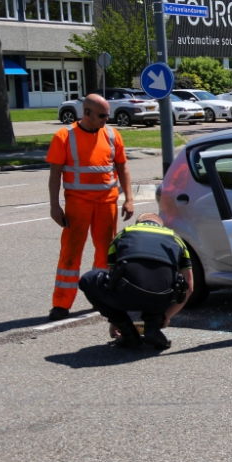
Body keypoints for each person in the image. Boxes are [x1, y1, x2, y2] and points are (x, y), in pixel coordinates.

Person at [46, 94, 133, 321]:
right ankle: (61, 304)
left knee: (106, 253)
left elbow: (122, 168)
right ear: (86, 114)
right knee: (70, 253)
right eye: (102, 115)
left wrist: (129, 198)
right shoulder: (64, 136)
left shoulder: (112, 134)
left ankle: (102, 296)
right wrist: (55, 206)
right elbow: (55, 174)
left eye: (107, 114)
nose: (107, 119)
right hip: (77, 204)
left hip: (107, 203)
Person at [78, 213, 193, 350]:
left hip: (127, 294)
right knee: (165, 280)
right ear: (161, 225)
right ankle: (153, 328)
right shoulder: (176, 239)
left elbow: (112, 278)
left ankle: (128, 333)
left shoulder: (123, 234)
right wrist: (166, 316)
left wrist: (116, 318)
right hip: (161, 299)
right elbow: (189, 287)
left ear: (139, 223)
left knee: (88, 279)